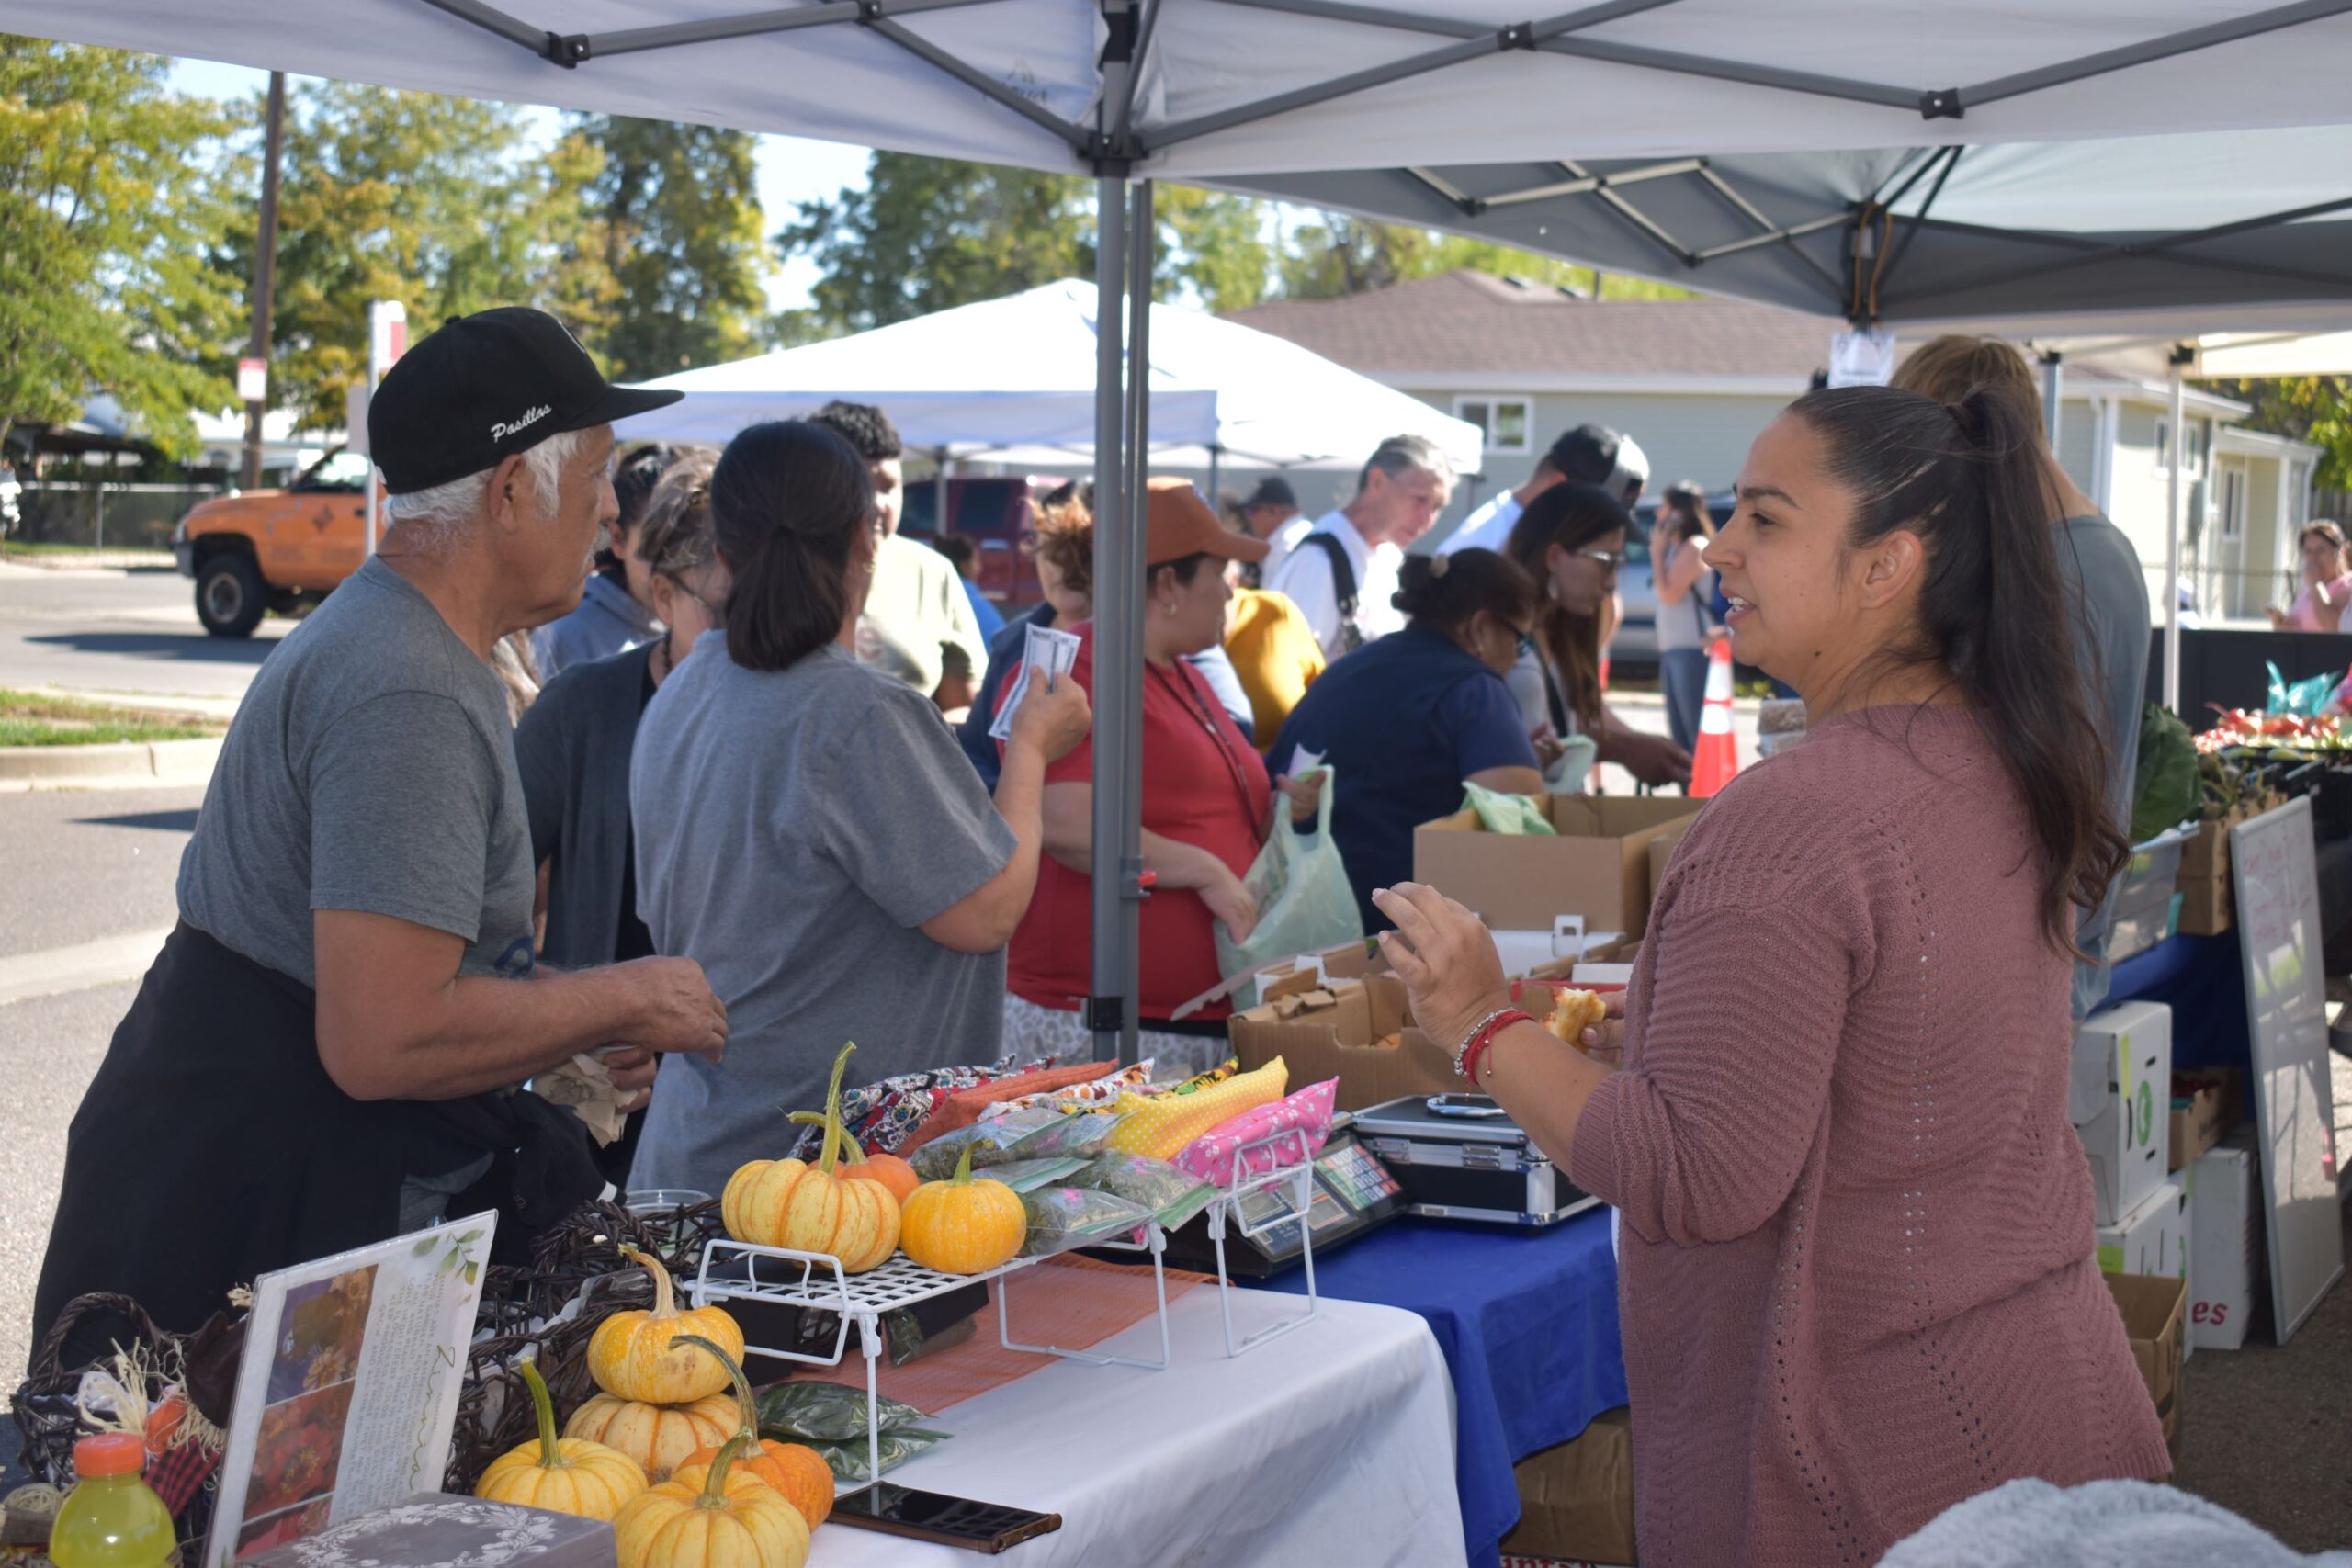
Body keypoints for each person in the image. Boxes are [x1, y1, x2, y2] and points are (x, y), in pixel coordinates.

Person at [1374, 381, 2165, 1567]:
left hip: (1871, 1455)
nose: (1719, 547)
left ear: (1887, 564)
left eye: (1768, 517)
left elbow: (1692, 1174)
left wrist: (1479, 1020)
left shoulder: (1799, 816)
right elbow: (1901, 1067)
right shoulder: (1998, 755)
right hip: (2035, 1399)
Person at [35, 309, 729, 1354]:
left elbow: (400, 981)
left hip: (240, 1171)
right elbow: (381, 1037)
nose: (607, 528)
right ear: (508, 492)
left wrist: (559, 1026)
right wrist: (622, 995)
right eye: (594, 486)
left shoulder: (411, 643)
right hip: (237, 1219)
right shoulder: (407, 686)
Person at [628, 421, 1090, 1198]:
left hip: (704, 1161)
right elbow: (988, 911)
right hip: (817, 1201)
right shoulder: (854, 713)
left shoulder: (681, 691)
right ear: (866, 544)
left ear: (722, 551)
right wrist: (1033, 750)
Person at [1002, 479, 1322, 1075]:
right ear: (1168, 584)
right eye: (1221, 573)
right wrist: (1204, 869)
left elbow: (1199, 808)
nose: (1234, 592)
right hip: (1101, 1028)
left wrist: (1288, 813)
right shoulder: (1082, 665)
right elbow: (1067, 820)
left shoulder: (1183, 671)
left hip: (1188, 1020)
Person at [1892, 334, 2152, 1019]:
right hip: (2050, 953)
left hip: (2026, 971)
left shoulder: (2060, 577)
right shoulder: (2096, 548)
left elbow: (2009, 787)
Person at [516, 448, 725, 976]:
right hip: (607, 1046)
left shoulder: (801, 713)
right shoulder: (582, 707)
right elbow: (484, 888)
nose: (749, 629)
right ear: (663, 595)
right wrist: (563, 1009)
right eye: (723, 610)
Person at [1271, 550, 1543, 931]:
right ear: (1480, 627)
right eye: (1520, 640)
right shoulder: (1476, 689)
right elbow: (1521, 824)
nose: (1517, 659)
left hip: (1307, 916)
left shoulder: (1348, 668)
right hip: (1404, 931)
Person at [1502, 484, 1693, 790]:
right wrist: (1626, 748)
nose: (1612, 583)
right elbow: (1523, 750)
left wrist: (1638, 745)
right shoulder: (1501, 641)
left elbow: (1581, 713)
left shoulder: (1561, 628)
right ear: (1554, 555)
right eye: (1606, 562)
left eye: (1619, 565)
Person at [814, 400, 990, 704]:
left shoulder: (932, 571)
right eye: (860, 486)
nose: (877, 504)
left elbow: (962, 706)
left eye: (888, 487)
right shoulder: (785, 569)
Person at [1269, 434, 1455, 659]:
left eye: (1438, 507)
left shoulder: (1389, 557)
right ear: (1377, 481)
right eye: (1420, 499)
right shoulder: (1318, 560)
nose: (1427, 519)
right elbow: (1286, 668)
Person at [530, 443, 671, 678]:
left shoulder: (701, 619)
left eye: (686, 542)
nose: (672, 560)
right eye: (655, 542)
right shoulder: (569, 632)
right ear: (618, 539)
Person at [1440, 423, 1650, 557]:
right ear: (1557, 485)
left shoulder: (1550, 542)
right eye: (1593, 514)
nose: (1595, 530)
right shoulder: (1480, 550)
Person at [1223, 559, 1326, 756]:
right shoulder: (1159, 640)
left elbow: (1322, 702)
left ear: (1233, 580)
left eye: (1218, 572)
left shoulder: (1274, 610)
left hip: (1287, 778)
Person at [1650, 480, 1719, 754]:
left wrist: (1656, 551)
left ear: (1680, 512)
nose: (1658, 514)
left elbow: (1668, 594)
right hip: (1672, 649)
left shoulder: (1694, 546)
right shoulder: (1677, 548)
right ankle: (1687, 794)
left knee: (1694, 737)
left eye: (1664, 507)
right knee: (1679, 738)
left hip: (1692, 648)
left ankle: (1701, 796)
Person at [2267, 520, 2352, 632]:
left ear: (2340, 551)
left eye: (2321, 550)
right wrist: (2284, 626)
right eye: (2308, 551)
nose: (2313, 558)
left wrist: (2316, 585)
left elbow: (2333, 627)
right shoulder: (2309, 588)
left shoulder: (2347, 585)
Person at [931, 532, 1007, 645]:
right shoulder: (975, 603)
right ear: (964, 566)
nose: (980, 568)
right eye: (976, 561)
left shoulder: (929, 600)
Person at [1238, 475, 1306, 584]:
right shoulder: (1298, 536)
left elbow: (1274, 600)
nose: (1249, 516)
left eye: (1252, 510)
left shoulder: (1284, 545)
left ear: (1277, 511)